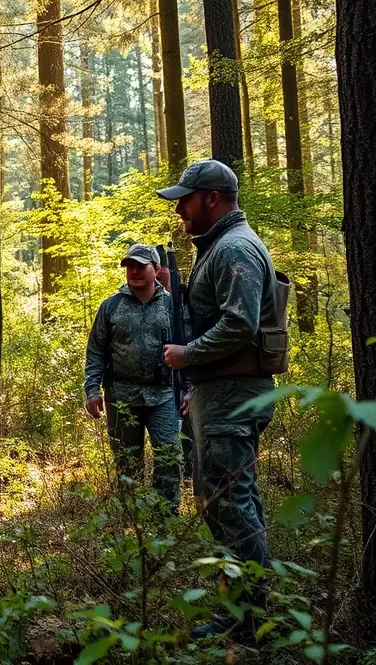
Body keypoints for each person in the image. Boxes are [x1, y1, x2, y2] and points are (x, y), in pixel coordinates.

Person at [157, 159, 280, 639]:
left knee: (230, 503)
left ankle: (251, 621)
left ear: (212, 198)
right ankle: (246, 612)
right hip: (221, 391)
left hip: (233, 393)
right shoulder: (221, 247)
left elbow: (239, 324)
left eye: (186, 199)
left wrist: (188, 355)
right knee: (228, 501)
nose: (180, 209)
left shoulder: (233, 248)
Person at [84, 244, 181, 507]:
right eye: (130, 267)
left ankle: (166, 520)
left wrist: (191, 390)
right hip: (121, 396)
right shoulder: (110, 307)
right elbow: (95, 352)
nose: (134, 271)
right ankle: (131, 523)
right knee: (126, 463)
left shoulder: (173, 306)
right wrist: (92, 391)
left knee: (169, 458)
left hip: (164, 396)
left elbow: (189, 348)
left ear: (156, 269)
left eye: (141, 266)